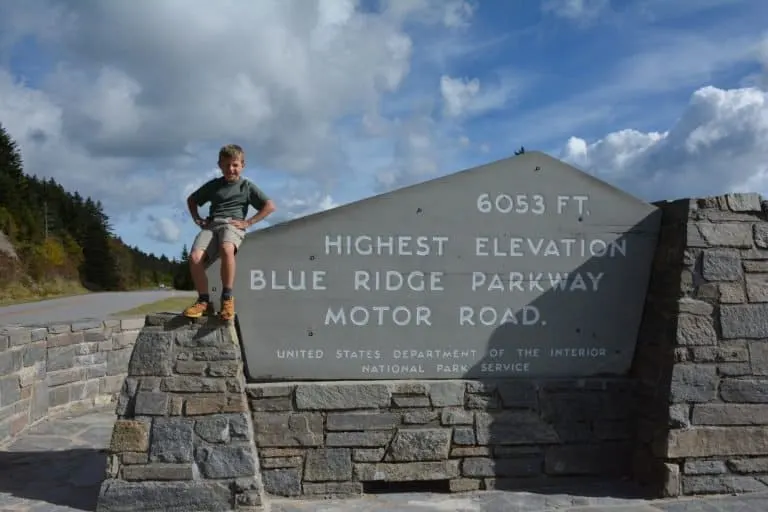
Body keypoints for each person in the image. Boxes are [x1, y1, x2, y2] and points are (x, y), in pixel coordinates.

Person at [182, 144, 276, 321]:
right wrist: (197, 218)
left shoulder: (246, 187)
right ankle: (203, 301)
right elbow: (192, 200)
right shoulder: (214, 186)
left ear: (242, 165)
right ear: (220, 165)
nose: (231, 169)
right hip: (212, 225)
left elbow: (269, 206)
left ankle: (227, 298)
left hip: (232, 225)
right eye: (226, 165)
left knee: (227, 249)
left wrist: (248, 222)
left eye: (235, 165)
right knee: (195, 258)